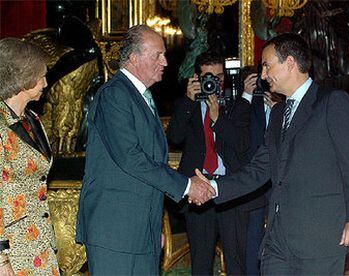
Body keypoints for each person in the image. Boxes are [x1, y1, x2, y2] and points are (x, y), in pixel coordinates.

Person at [195, 33, 349, 275]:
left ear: (289, 63)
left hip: (319, 240)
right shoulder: (279, 113)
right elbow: (258, 169)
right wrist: (214, 188)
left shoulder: (332, 102)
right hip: (277, 242)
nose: (264, 75)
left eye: (267, 65)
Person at [75, 25, 215, 275]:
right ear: (133, 58)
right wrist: (187, 186)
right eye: (157, 55)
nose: (165, 61)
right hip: (116, 232)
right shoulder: (114, 95)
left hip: (140, 231)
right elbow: (132, 159)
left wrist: (153, 229)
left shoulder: (139, 97)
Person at [167, 51, 251, 275]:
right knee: (201, 262)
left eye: (219, 77)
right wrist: (188, 101)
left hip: (230, 190)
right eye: (209, 77)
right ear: (197, 77)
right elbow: (174, 137)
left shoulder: (236, 103)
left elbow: (243, 144)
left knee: (236, 261)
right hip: (198, 191)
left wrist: (218, 118)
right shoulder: (187, 104)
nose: (215, 82)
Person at [0, 38, 59, 275]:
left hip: (40, 244)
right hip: (13, 251)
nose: (46, 82)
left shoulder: (33, 120)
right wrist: (1, 261)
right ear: (22, 77)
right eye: (40, 75)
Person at [241, 69, 279, 275]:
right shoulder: (248, 102)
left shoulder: (286, 103)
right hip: (255, 180)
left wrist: (278, 110)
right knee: (253, 235)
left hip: (281, 180)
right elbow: (237, 132)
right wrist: (246, 94)